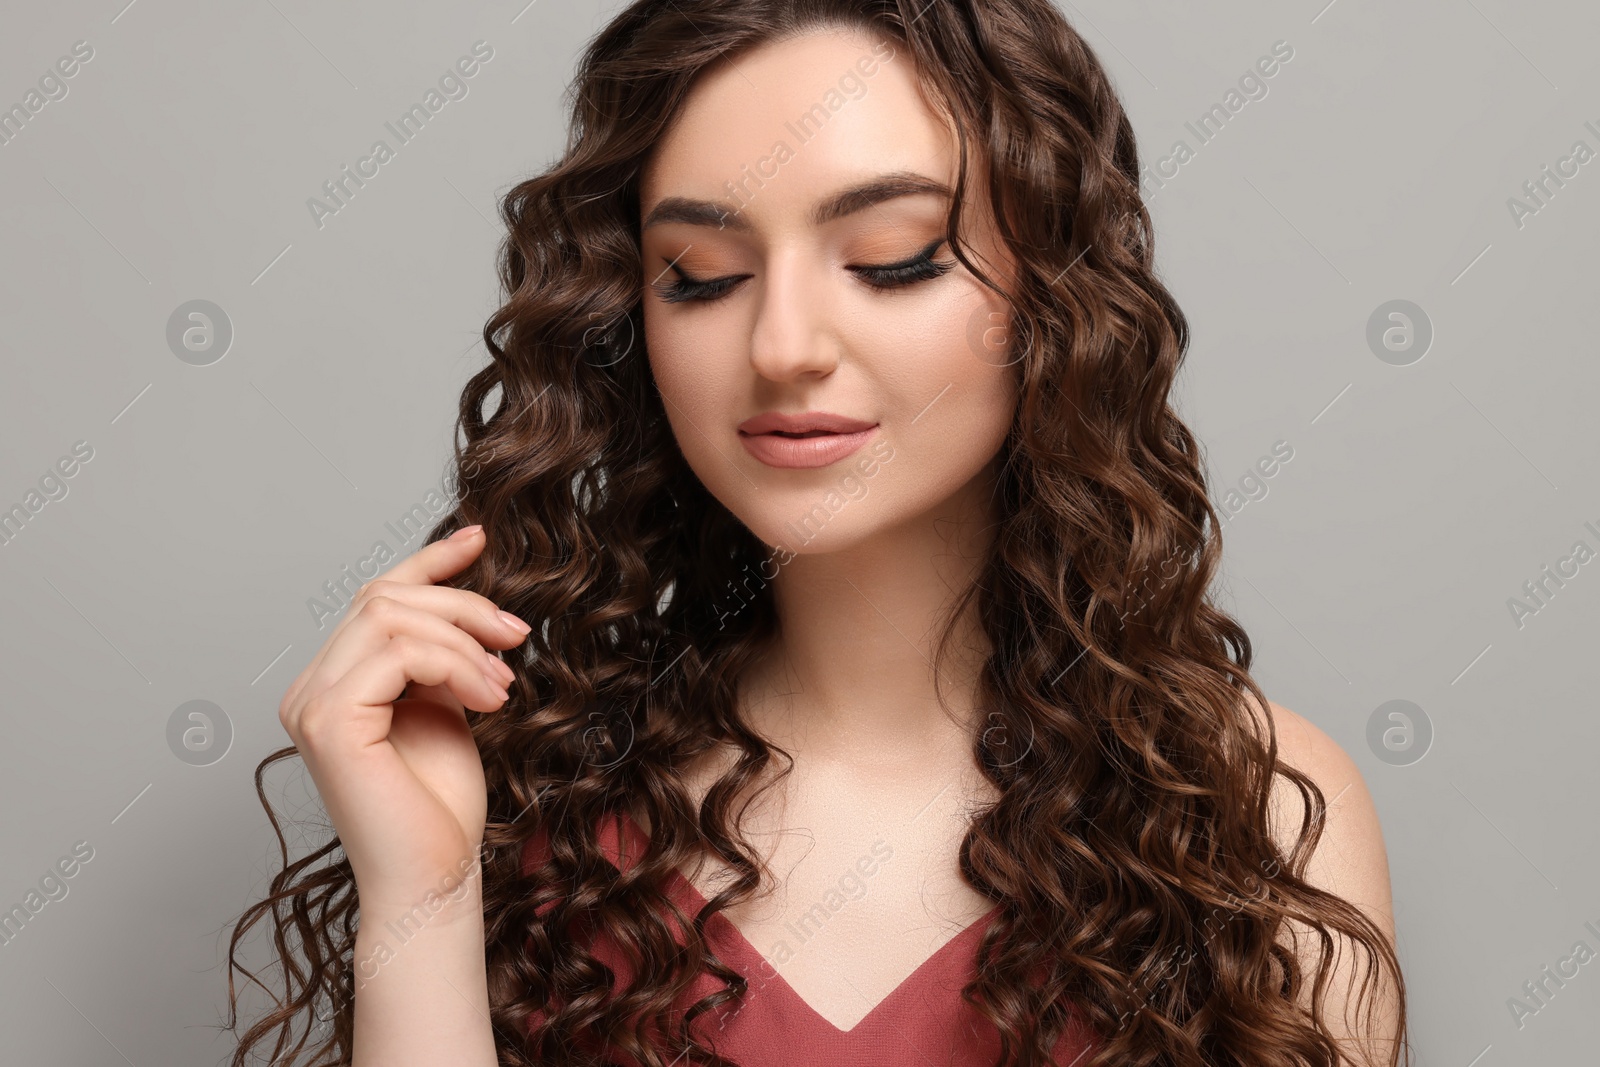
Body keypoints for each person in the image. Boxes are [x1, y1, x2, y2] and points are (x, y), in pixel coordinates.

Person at [226, 2, 1408, 1065]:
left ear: (1055, 297)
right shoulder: (537, 800)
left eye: (889, 262)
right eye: (698, 275)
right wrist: (421, 900)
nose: (782, 344)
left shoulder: (1254, 801)